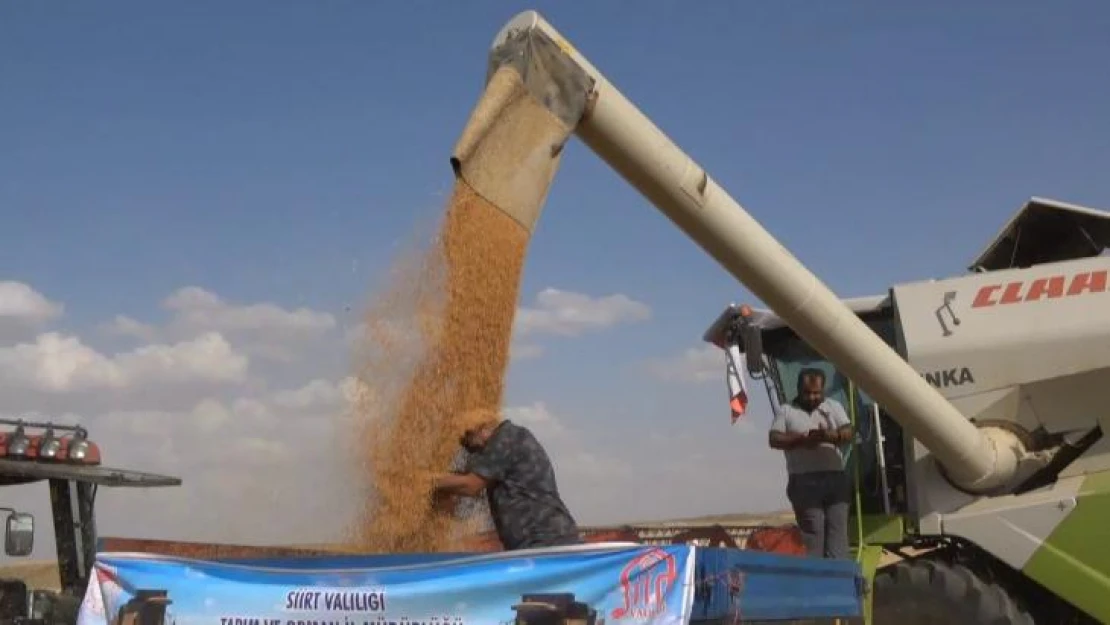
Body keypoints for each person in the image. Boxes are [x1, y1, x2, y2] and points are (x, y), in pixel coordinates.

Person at [430, 410, 581, 551]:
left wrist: (422, 481)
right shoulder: (508, 442)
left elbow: (471, 485)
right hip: (534, 542)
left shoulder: (506, 438)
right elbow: (463, 480)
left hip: (545, 540)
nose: (468, 449)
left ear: (481, 429)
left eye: (467, 439)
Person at [768, 368, 854, 559]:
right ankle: (817, 580)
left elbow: (848, 432)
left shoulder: (833, 407)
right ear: (798, 390)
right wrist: (802, 440)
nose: (813, 397)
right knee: (814, 533)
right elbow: (774, 439)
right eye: (808, 393)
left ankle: (838, 581)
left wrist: (827, 436)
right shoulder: (786, 411)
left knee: (838, 533)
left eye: (817, 393)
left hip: (835, 480)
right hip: (804, 482)